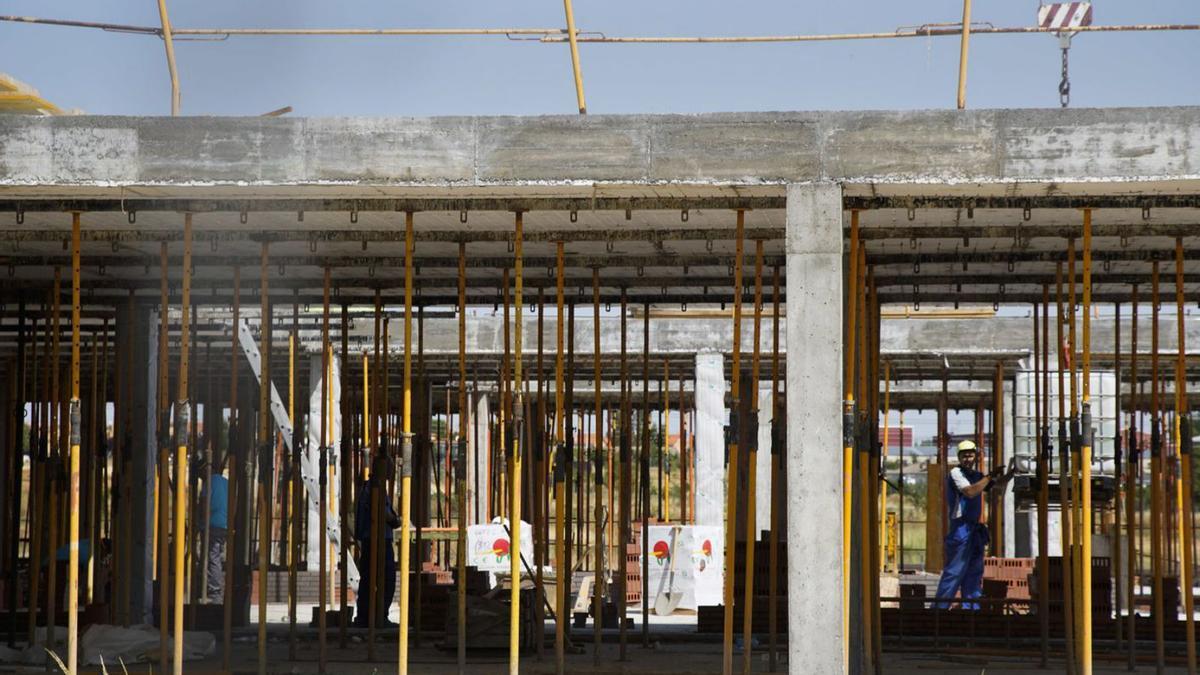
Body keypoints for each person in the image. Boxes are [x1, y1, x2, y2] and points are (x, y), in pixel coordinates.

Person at [934, 440, 1012, 609]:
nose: (968, 458)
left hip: (974, 530)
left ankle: (971, 611)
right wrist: (989, 476)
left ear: (975, 456)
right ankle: (938, 611)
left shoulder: (977, 476)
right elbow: (970, 492)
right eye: (964, 456)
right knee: (954, 572)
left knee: (974, 573)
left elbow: (995, 485)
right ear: (959, 457)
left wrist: (1011, 474)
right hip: (960, 530)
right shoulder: (956, 473)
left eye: (970, 455)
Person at [354, 453, 400, 628]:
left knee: (371, 579)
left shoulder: (374, 486)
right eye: (389, 467)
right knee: (383, 580)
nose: (391, 471)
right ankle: (374, 618)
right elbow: (384, 513)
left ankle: (369, 617)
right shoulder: (375, 487)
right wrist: (395, 520)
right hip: (377, 539)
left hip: (375, 538)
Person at [201, 452, 229, 601]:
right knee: (217, 556)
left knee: (213, 557)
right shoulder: (226, 482)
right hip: (225, 525)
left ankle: (215, 591)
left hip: (212, 525)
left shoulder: (209, 483)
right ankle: (215, 589)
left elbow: (204, 505)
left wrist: (200, 521)